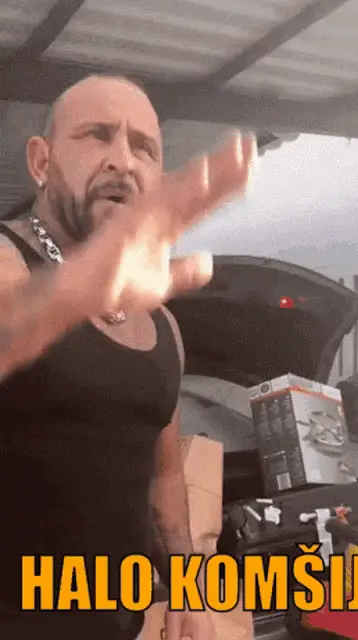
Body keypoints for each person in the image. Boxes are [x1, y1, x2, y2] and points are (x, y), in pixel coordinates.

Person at [0, 74, 256, 639]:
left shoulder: (163, 325)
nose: (122, 160)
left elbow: (164, 474)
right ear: (41, 162)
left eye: (144, 148)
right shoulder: (8, 261)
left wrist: (187, 590)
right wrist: (75, 290)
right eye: (97, 135)